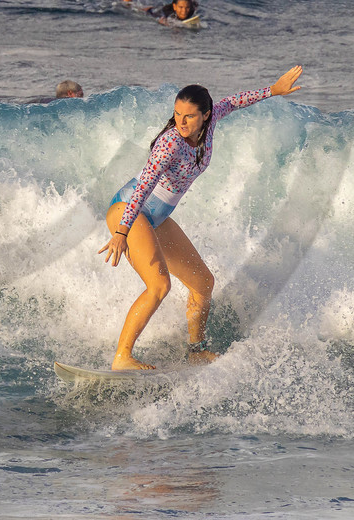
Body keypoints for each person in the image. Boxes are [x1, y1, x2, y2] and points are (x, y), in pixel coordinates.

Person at [98, 65, 304, 370]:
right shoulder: (170, 144)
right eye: (177, 114)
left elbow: (233, 102)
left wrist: (272, 90)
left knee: (203, 283)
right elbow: (143, 187)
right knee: (159, 286)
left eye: (189, 116)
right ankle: (122, 357)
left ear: (205, 115)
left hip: (155, 217)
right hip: (129, 209)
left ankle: (196, 350)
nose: (181, 122)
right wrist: (122, 232)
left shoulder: (211, 123)